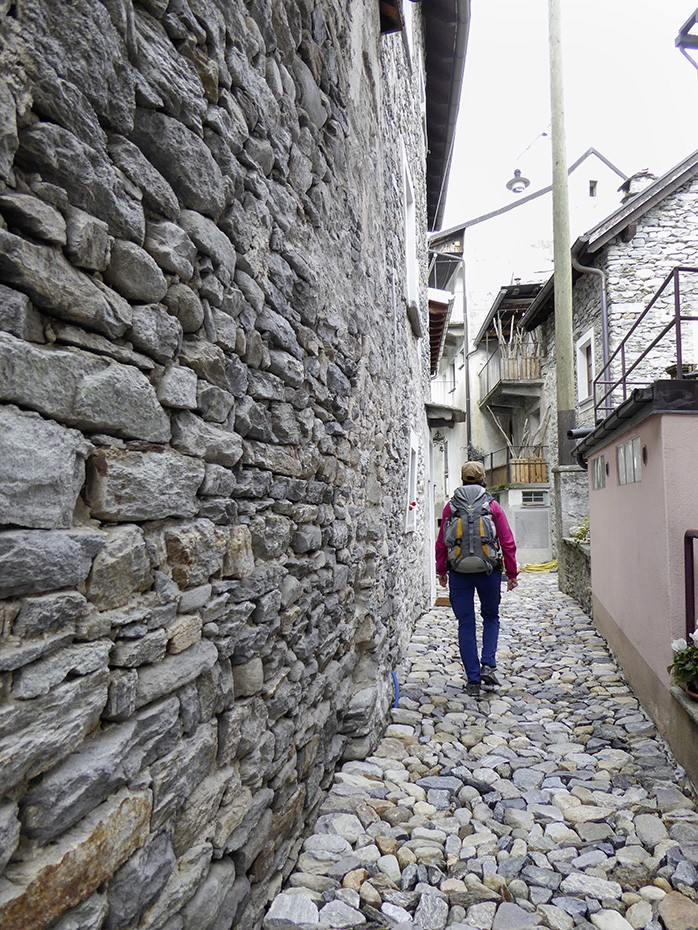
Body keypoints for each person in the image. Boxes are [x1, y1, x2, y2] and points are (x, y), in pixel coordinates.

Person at [435, 460, 518, 697]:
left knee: (466, 624)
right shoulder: (492, 506)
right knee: (491, 617)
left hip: (459, 572)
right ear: (483, 480)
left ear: (462, 479)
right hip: (488, 572)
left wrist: (441, 571)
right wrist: (511, 574)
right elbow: (507, 542)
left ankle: (473, 680)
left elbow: (441, 543)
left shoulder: (450, 508)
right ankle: (488, 665)